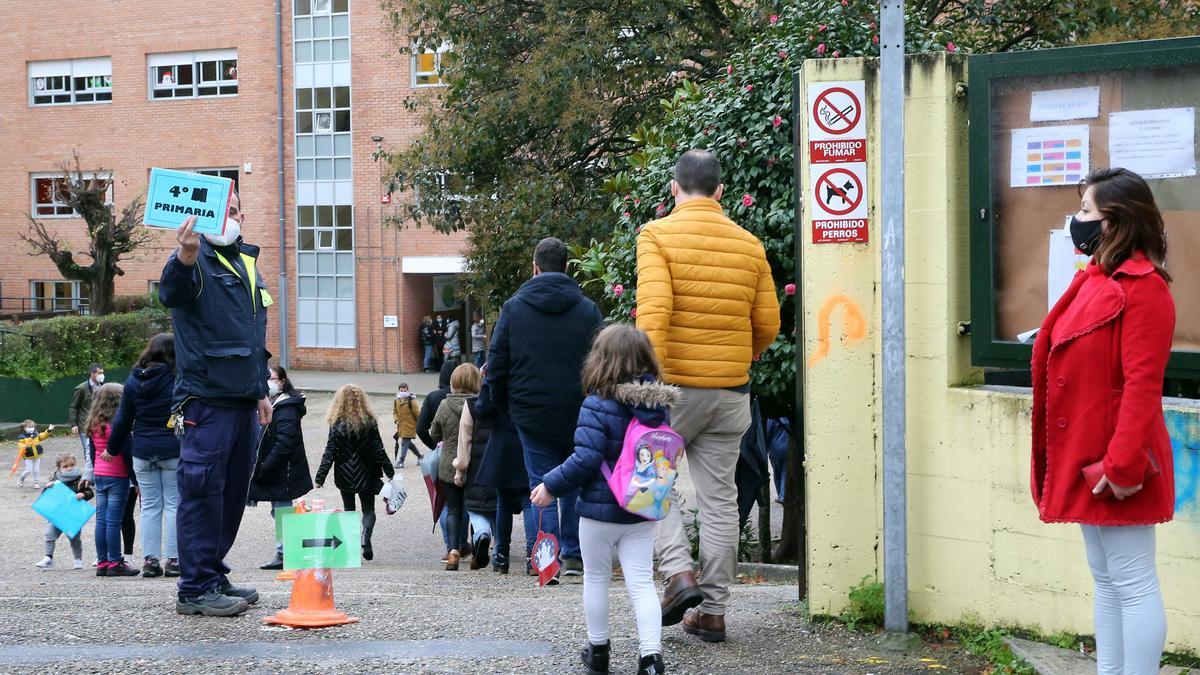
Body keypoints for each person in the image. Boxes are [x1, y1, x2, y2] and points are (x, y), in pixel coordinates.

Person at [1030, 167, 1176, 675]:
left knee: (1133, 581)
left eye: (1087, 211)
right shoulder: (1094, 279)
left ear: (1115, 221)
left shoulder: (1145, 289)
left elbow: (1142, 387)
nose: (1077, 220)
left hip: (1119, 460)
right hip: (1089, 455)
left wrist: (1121, 464)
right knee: (1107, 579)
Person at [637, 149, 780, 641]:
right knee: (721, 500)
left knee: (646, 481)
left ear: (674, 189)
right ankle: (713, 611)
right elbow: (768, 325)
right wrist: (738, 356)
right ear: (720, 192)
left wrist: (648, 384)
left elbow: (652, 316)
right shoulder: (749, 244)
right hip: (730, 392)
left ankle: (678, 574)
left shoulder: (657, 235)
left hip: (671, 390)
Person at [532, 324, 673, 675]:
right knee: (641, 581)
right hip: (641, 507)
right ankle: (651, 658)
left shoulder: (595, 404)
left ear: (601, 361)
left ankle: (598, 652)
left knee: (596, 578)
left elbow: (585, 459)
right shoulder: (657, 407)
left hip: (598, 510)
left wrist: (550, 486)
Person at [158, 196, 272, 617]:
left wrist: (260, 390)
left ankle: (212, 573)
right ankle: (194, 588)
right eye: (223, 210)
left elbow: (251, 338)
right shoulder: (193, 259)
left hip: (242, 400)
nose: (232, 216)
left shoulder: (245, 262)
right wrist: (185, 253)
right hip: (205, 402)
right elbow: (172, 292)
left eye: (238, 209)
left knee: (230, 496)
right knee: (202, 493)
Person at [485, 237, 604, 577]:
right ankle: (573, 555)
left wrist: (503, 405)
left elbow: (497, 364)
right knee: (574, 480)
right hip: (577, 411)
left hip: (529, 412)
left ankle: (546, 558)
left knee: (541, 483)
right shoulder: (587, 309)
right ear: (567, 267)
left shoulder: (513, 308)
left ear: (534, 267)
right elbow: (601, 361)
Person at [105, 333, 181, 578]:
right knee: (173, 504)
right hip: (172, 448)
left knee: (149, 506)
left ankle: (150, 560)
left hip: (143, 451)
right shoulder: (176, 379)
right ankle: (173, 559)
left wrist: (111, 449)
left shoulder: (133, 380)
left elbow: (123, 420)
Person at [315, 384, 394, 561]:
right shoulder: (369, 422)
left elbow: (330, 452)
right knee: (368, 509)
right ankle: (366, 536)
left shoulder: (336, 423)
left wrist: (321, 477)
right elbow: (378, 448)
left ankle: (351, 551)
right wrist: (390, 471)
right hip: (367, 471)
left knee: (349, 511)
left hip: (344, 473)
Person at [249, 366, 312, 570]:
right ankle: (285, 551)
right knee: (280, 511)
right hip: (278, 469)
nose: (268, 382)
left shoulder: (286, 408)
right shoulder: (275, 404)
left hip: (282, 470)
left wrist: (265, 466)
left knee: (283, 511)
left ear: (282, 382)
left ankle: (286, 552)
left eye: (271, 378)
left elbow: (285, 442)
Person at [471, 380, 537, 575]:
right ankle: (533, 557)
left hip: (501, 442)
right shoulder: (528, 367)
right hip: (527, 439)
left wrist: (486, 384)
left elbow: (481, 409)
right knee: (529, 501)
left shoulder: (499, 372)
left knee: (504, 502)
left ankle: (501, 557)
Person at [429, 363, 482, 571]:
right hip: (474, 464)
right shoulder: (480, 404)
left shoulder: (444, 405)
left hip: (449, 464)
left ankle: (453, 552)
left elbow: (434, 433)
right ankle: (477, 551)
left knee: (453, 509)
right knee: (476, 509)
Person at [87, 382, 139, 578]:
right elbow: (126, 452)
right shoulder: (118, 424)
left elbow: (92, 453)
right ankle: (116, 561)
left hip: (100, 475)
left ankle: (102, 561)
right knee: (114, 520)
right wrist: (135, 480)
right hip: (117, 476)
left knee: (101, 519)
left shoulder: (94, 422)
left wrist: (95, 471)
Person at [416, 359, 464, 557]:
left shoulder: (434, 397)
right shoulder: (471, 397)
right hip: (468, 455)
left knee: (446, 503)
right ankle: (465, 542)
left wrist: (435, 446)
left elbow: (421, 428)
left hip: (444, 455)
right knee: (467, 504)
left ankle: (450, 546)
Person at [454, 375, 501, 571]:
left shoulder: (472, 405)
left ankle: (482, 534)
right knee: (500, 507)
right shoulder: (507, 402)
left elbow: (464, 440)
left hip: (477, 467)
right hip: (501, 464)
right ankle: (500, 551)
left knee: (475, 507)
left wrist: (460, 468)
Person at [34, 452, 93, 570]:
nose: (69, 468)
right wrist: (47, 487)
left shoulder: (80, 479)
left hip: (73, 515)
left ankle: (78, 559)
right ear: (59, 468)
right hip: (58, 514)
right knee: (50, 535)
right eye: (65, 466)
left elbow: (90, 492)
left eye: (72, 465)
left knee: (74, 538)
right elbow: (45, 496)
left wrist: (83, 494)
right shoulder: (55, 479)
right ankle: (48, 557)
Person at [68, 363, 104, 458]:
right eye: (99, 373)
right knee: (88, 450)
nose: (102, 375)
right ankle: (90, 471)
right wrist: (74, 424)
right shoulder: (81, 388)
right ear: (92, 373)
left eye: (102, 373)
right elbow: (73, 407)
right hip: (85, 425)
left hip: (101, 424)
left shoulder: (104, 387)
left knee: (100, 448)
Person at [392, 382, 423, 468]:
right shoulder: (397, 401)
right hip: (401, 426)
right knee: (408, 443)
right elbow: (394, 412)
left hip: (410, 426)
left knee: (404, 443)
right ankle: (420, 456)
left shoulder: (411, 401)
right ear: (399, 391)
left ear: (407, 390)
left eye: (405, 390)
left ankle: (401, 461)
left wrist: (420, 424)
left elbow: (418, 414)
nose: (403, 392)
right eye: (401, 390)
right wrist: (396, 420)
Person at [16, 420, 54, 488]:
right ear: (24, 428)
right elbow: (19, 444)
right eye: (29, 427)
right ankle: (21, 479)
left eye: (33, 426)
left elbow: (43, 436)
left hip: (37, 456)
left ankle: (36, 483)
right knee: (28, 470)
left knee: (36, 470)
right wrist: (23, 446)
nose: (31, 428)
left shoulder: (36, 435)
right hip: (28, 456)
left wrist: (48, 430)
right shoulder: (22, 437)